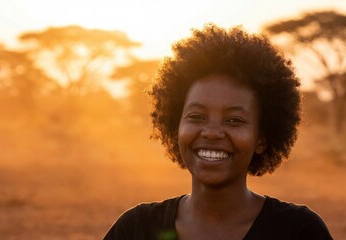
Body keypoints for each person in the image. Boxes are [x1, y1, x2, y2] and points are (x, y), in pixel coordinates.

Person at [104, 23, 333, 240]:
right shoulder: (136, 229)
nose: (212, 132)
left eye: (234, 120)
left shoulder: (298, 231)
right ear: (176, 126)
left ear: (261, 139)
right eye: (196, 116)